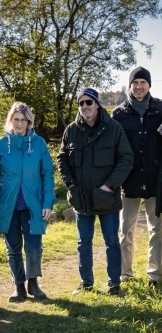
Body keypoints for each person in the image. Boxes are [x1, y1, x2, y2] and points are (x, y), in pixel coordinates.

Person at [57, 87, 133, 295]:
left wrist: (109, 185)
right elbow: (62, 159)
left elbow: (126, 159)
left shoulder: (114, 128)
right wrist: (70, 184)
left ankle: (114, 283)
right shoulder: (71, 130)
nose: (84, 107)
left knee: (111, 242)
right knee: (84, 243)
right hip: (81, 198)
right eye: (80, 103)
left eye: (88, 102)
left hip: (107, 198)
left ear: (97, 104)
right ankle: (86, 282)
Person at [0, 102, 55, 302]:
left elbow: (47, 174)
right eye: (16, 119)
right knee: (13, 248)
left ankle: (33, 284)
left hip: (33, 204)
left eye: (23, 120)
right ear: (10, 120)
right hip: (7, 205)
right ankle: (18, 286)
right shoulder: (1, 144)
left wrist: (48, 202)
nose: (19, 124)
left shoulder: (39, 144)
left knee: (34, 246)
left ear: (29, 122)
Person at [111, 67, 162, 286]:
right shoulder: (119, 113)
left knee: (157, 231)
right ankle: (126, 274)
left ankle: (155, 275)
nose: (139, 86)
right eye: (135, 82)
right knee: (125, 231)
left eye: (143, 82)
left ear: (149, 85)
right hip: (128, 182)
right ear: (130, 85)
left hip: (155, 181)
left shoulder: (161, 109)